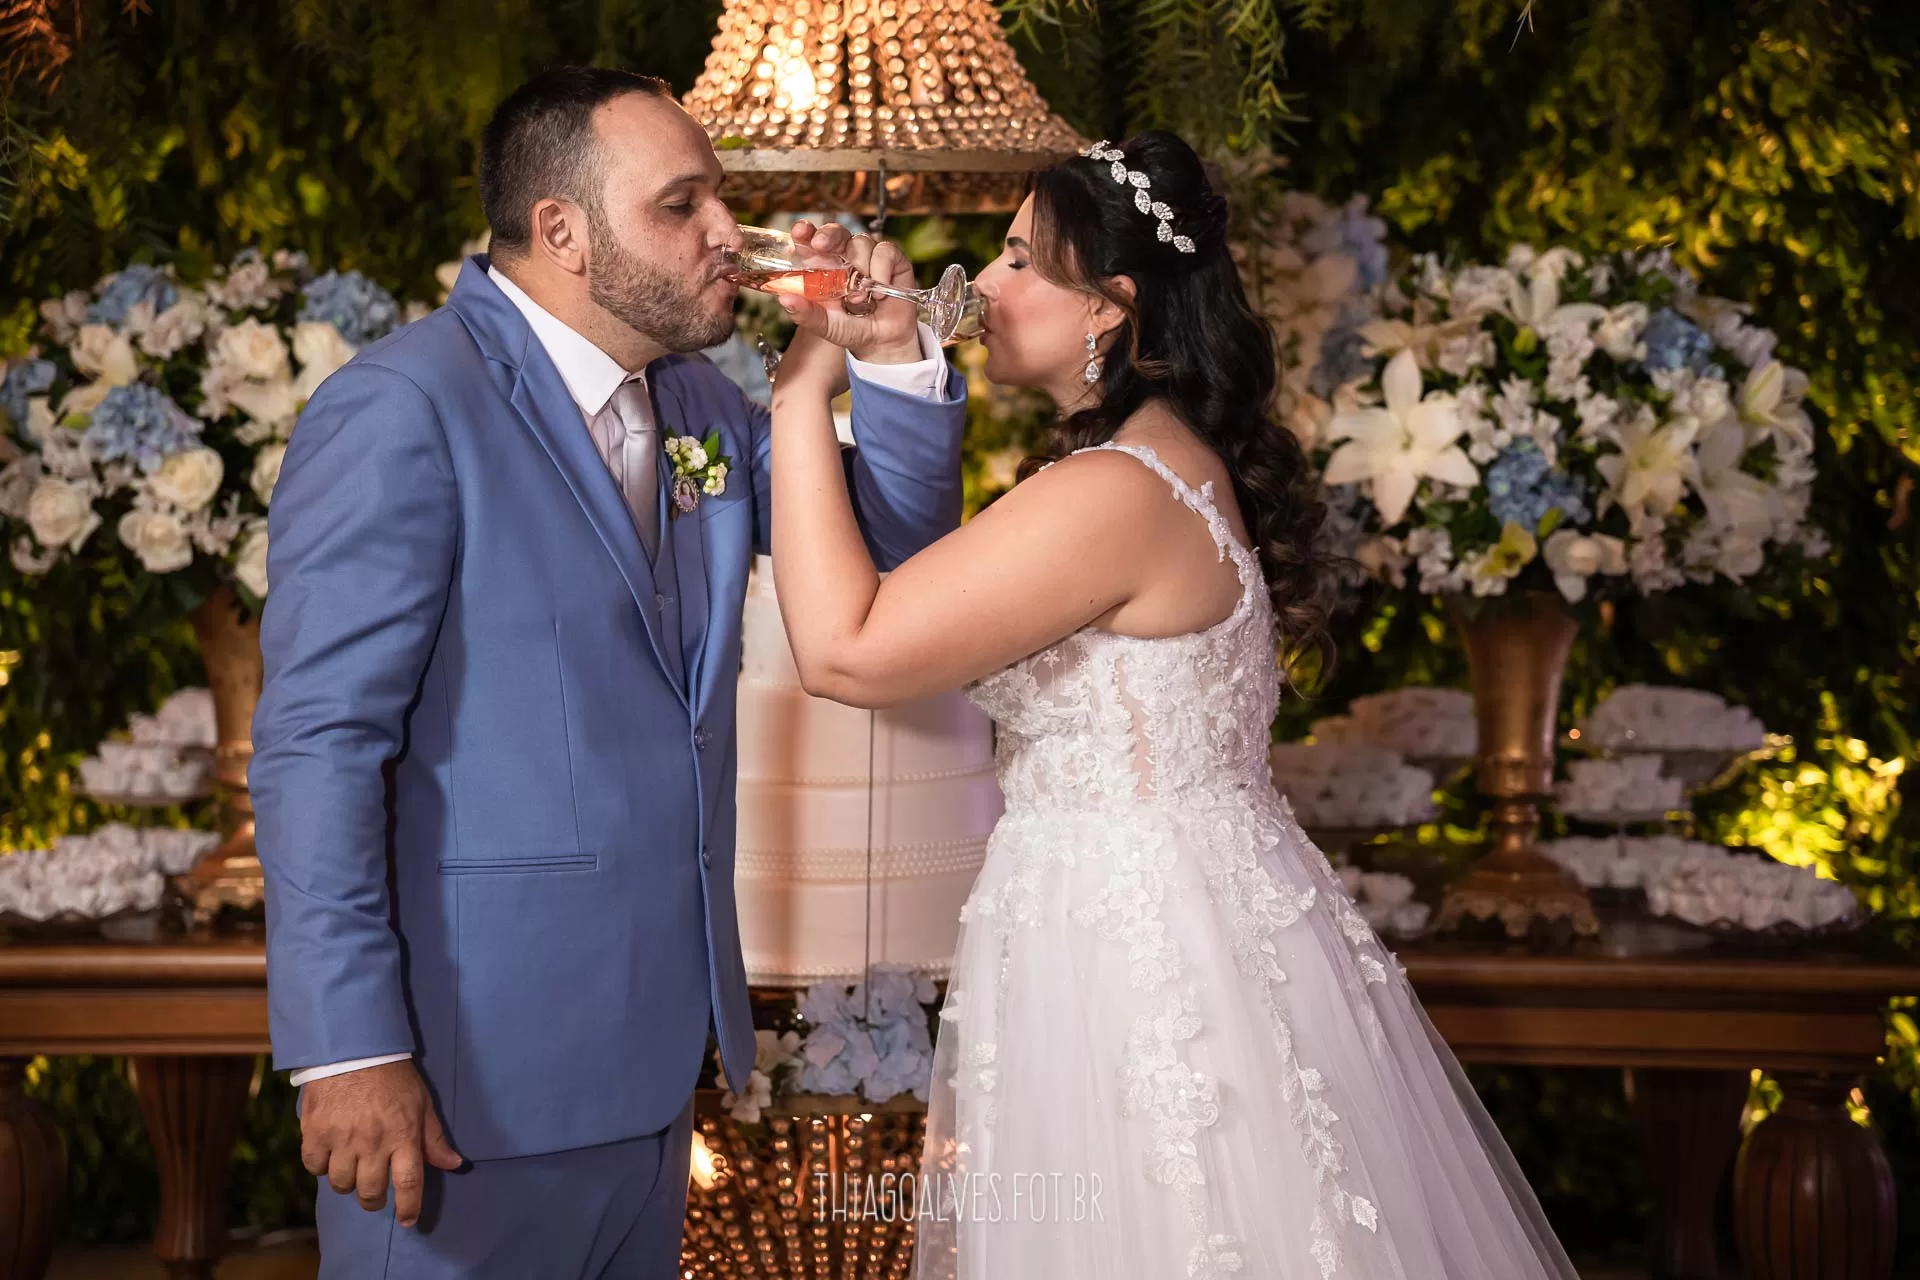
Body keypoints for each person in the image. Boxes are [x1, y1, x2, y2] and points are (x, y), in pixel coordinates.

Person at [767, 131, 1579, 1279]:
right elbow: (924, 598)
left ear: (1110, 306)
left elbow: (847, 649)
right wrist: (891, 351)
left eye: (1019, 260)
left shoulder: (1115, 492)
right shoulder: (1157, 465)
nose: (984, 283)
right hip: (1159, 914)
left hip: (1140, 959)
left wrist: (802, 382)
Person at [249, 66, 967, 1277]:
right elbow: (318, 746)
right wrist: (348, 1047)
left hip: (653, 1078)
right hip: (463, 1078)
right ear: (562, 230)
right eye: (680, 205)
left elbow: (886, 552)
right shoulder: (402, 407)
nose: (724, 232)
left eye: (718, 199)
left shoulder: (698, 404)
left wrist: (887, 356)